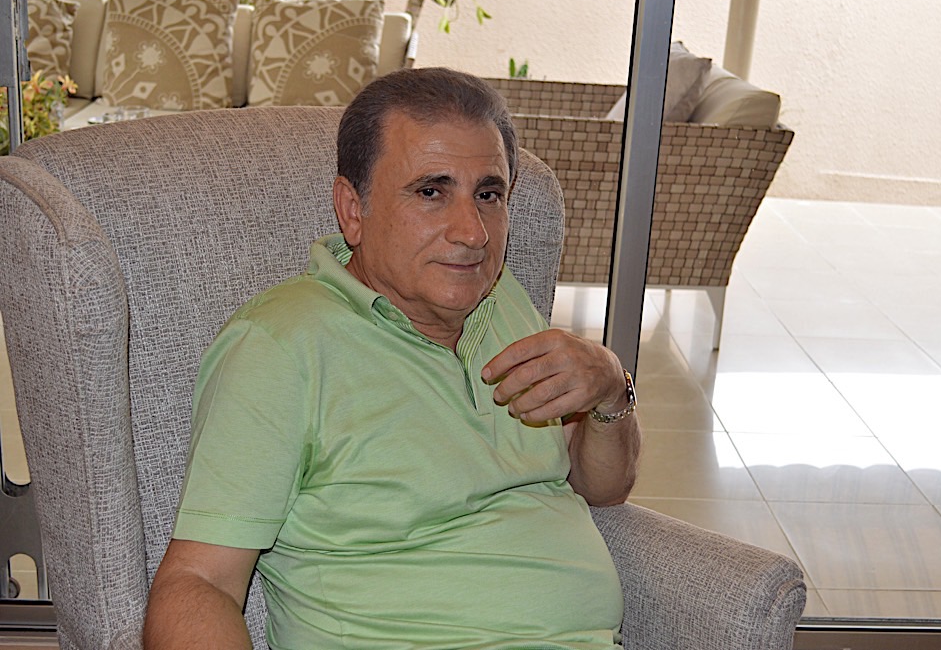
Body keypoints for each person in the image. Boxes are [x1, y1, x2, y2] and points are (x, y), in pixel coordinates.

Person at [143, 67, 642, 649]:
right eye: (431, 192)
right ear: (353, 210)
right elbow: (199, 582)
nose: (473, 233)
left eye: (488, 195)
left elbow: (602, 487)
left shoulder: (502, 299)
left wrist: (611, 389)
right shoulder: (282, 346)